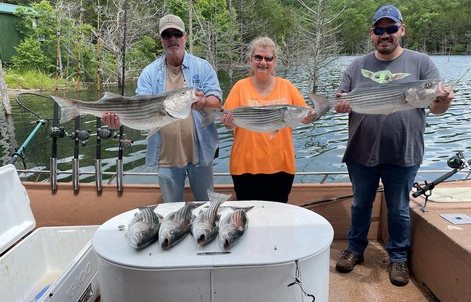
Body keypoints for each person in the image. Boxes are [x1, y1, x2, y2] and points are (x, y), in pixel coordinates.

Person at [334, 5, 454, 286]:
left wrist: (443, 99)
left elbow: (436, 108)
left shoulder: (421, 63)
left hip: (404, 151)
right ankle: (355, 249)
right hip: (361, 150)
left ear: (402, 29)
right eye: (379, 29)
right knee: (360, 204)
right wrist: (339, 104)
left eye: (390, 28)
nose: (384, 35)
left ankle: (398, 256)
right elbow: (343, 97)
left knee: (399, 207)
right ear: (372, 34)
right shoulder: (356, 65)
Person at [103, 14, 222, 202]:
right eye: (167, 35)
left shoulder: (203, 67)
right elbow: (139, 109)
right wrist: (117, 121)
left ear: (185, 37)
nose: (172, 38)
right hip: (166, 157)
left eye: (177, 33)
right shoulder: (149, 73)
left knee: (206, 207)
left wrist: (203, 103)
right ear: (161, 40)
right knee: (171, 210)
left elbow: (216, 100)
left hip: (201, 152)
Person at [220, 36, 315, 203]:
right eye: (258, 57)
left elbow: (305, 118)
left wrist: (313, 114)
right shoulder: (240, 87)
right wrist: (227, 122)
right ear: (251, 60)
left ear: (274, 61)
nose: (263, 62)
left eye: (268, 58)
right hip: (245, 167)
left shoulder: (287, 86)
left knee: (276, 219)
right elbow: (229, 122)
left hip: (281, 168)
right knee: (249, 219)